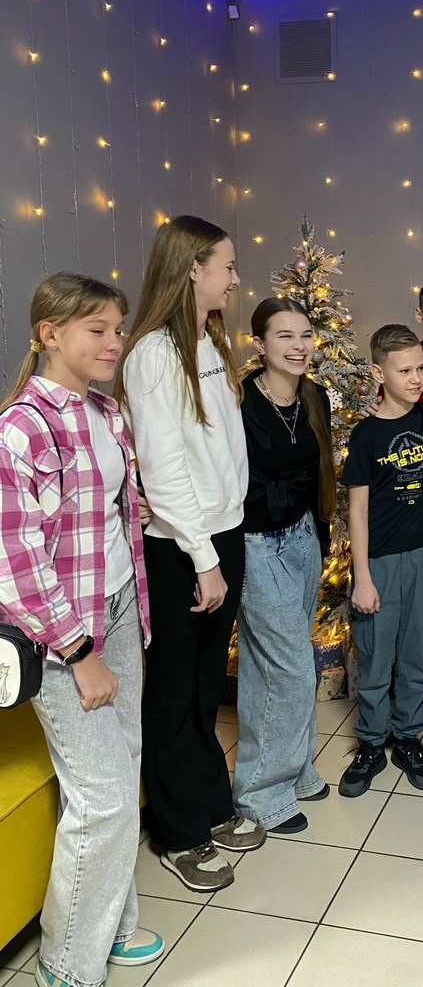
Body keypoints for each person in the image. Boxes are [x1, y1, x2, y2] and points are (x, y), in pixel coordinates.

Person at [0, 272, 163, 987]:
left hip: (120, 605)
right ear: (50, 334)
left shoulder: (107, 411)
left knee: (122, 770)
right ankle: (66, 962)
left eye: (118, 329)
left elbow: (109, 516)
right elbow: (15, 561)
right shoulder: (21, 428)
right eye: (97, 329)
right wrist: (78, 650)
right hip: (64, 634)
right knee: (103, 798)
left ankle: (115, 925)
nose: (113, 342)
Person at [117, 216, 262, 893]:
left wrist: (225, 538)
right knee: (175, 689)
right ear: (192, 269)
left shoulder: (209, 340)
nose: (234, 278)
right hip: (181, 547)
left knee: (207, 685)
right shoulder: (152, 354)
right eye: (226, 266)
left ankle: (209, 803)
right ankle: (176, 831)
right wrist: (203, 557)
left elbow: (220, 451)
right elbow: (165, 466)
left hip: (220, 533)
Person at [233, 298, 336, 833]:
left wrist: (319, 532)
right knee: (292, 667)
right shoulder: (239, 400)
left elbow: (319, 471)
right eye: (284, 336)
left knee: (266, 664)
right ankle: (259, 793)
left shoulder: (314, 397)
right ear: (260, 344)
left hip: (302, 537)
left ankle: (295, 770)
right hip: (255, 543)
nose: (298, 347)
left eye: (305, 336)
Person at [339, 324, 423, 796]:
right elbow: (357, 510)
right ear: (378, 373)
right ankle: (370, 743)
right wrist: (362, 577)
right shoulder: (366, 435)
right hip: (380, 561)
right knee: (375, 653)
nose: (416, 378)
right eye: (404, 370)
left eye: (420, 368)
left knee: (417, 652)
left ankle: (408, 737)